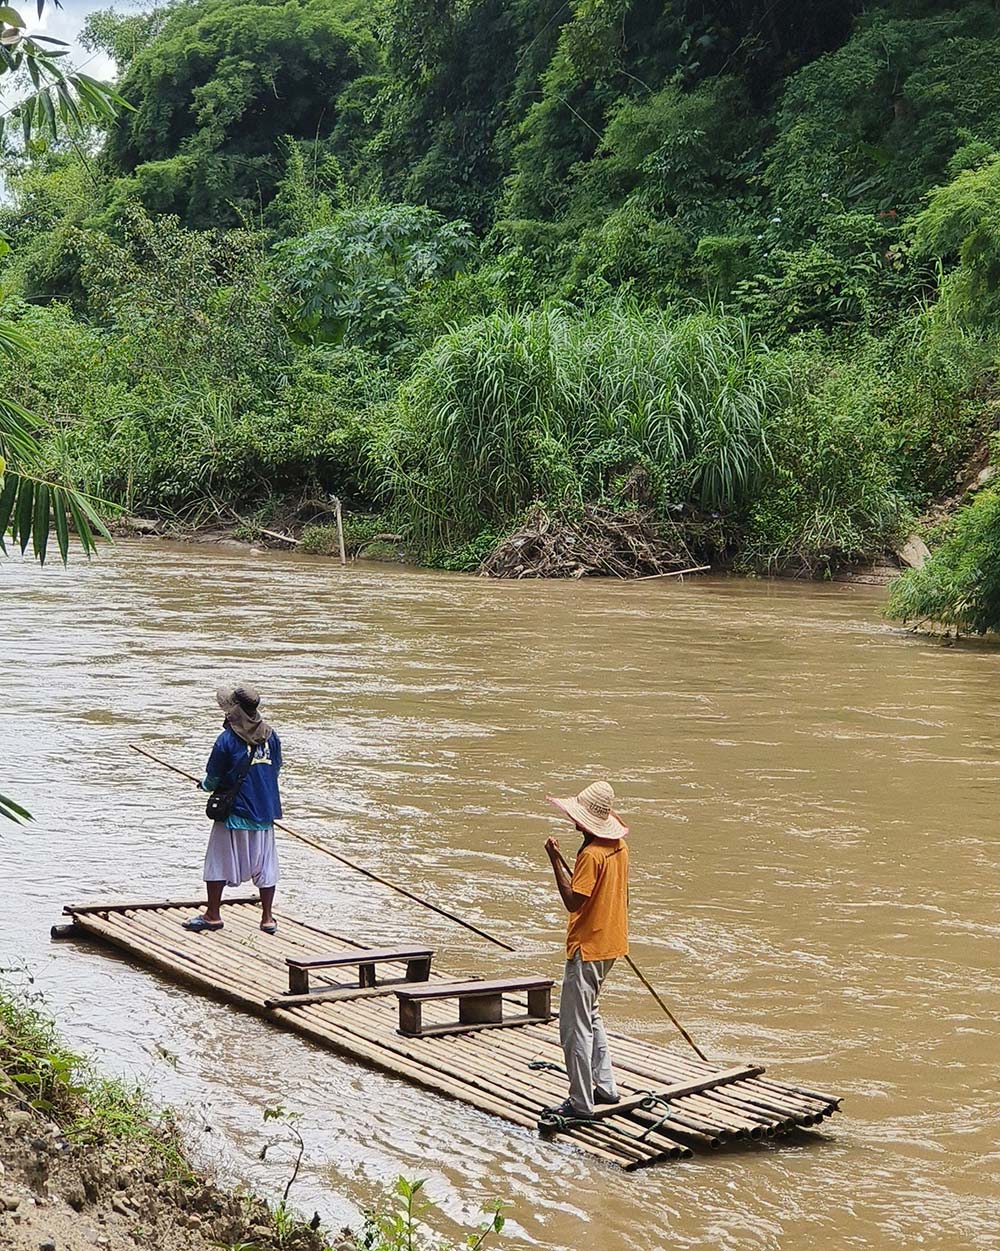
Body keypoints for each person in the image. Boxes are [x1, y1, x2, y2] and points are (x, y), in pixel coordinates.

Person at [543, 779, 629, 1120]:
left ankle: (580, 1101)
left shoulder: (591, 854)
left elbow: (573, 902)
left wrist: (554, 860)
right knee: (590, 1013)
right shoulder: (619, 847)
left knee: (573, 1025)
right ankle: (604, 1085)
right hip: (611, 942)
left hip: (588, 947)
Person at [183, 683, 283, 934]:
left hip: (234, 812)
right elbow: (276, 768)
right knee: (266, 864)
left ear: (234, 711)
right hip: (265, 811)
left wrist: (204, 786)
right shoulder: (271, 736)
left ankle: (213, 915)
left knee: (217, 861)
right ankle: (267, 918)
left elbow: (213, 779)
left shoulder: (226, 739)